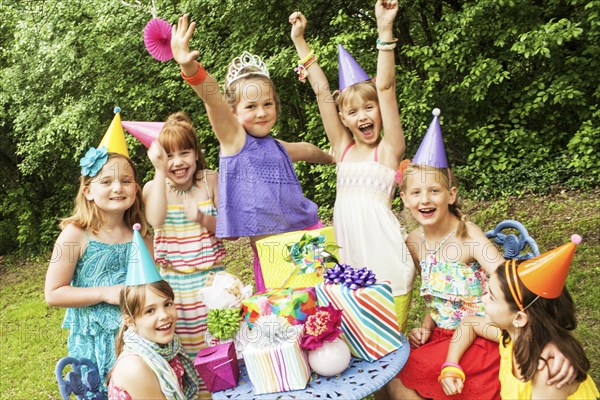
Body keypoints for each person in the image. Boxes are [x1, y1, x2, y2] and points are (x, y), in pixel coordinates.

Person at [388, 123, 577, 398]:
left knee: (400, 380)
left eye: (434, 191)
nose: (424, 200)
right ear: (404, 199)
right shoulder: (414, 243)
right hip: (442, 336)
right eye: (416, 192)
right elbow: (439, 298)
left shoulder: (469, 236)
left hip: (481, 335)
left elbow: (513, 284)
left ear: (451, 195)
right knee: (394, 371)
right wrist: (427, 324)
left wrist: (544, 339)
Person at [171, 16, 335, 292]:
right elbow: (211, 97)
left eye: (268, 104)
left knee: (325, 306)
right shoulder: (234, 141)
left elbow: (306, 150)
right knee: (284, 317)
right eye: (251, 106)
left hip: (308, 235)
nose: (261, 112)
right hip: (273, 252)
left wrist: (331, 158)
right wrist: (189, 66)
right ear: (233, 112)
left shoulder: (277, 147)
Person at [289, 0, 415, 332]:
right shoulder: (342, 149)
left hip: (388, 269)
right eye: (353, 112)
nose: (363, 116)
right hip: (350, 271)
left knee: (388, 352)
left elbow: (386, 87)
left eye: (369, 108)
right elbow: (321, 93)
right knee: (360, 352)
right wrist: (300, 41)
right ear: (343, 119)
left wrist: (384, 31)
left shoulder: (388, 151)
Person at [440, 238, 599, 399]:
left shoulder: (549, 372)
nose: (483, 298)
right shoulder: (512, 336)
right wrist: (451, 366)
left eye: (492, 297)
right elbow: (470, 323)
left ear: (519, 317)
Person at [45, 145, 151, 381]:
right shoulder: (75, 235)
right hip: (96, 348)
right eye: (106, 182)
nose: (117, 187)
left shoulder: (141, 234)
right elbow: (53, 293)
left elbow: (153, 286)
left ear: (136, 188)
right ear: (87, 191)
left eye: (126, 180)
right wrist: (105, 293)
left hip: (141, 341)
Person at [143, 112, 226, 373]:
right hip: (174, 287)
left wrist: (201, 217)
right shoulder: (153, 188)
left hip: (212, 282)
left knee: (220, 347)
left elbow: (229, 230)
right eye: (169, 156)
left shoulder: (209, 180)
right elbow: (156, 220)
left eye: (185, 153)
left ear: (196, 153)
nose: (178, 162)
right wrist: (158, 171)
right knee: (185, 358)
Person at [107, 280, 200, 400]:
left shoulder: (167, 349)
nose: (164, 315)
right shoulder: (134, 367)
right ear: (130, 321)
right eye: (150, 310)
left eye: (167, 304)